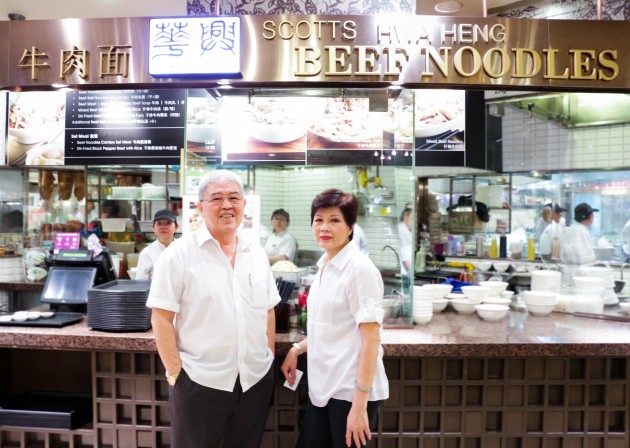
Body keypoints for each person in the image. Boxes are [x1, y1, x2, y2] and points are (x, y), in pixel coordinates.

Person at [146, 170, 279, 448]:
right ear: (200, 206)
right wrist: (176, 374)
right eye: (217, 198)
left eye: (234, 198)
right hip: (199, 382)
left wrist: (267, 358)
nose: (227, 205)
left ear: (244, 204)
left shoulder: (256, 252)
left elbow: (268, 310)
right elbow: (161, 317)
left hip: (254, 381)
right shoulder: (178, 254)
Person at [281, 189, 388, 448]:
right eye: (319, 220)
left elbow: (371, 340)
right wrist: (297, 349)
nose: (324, 227)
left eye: (334, 220)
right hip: (323, 389)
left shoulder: (359, 269)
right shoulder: (325, 266)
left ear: (350, 227)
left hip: (350, 392)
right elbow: (330, 328)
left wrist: (359, 406)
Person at [135, 209, 179, 280]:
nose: (163, 227)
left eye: (168, 223)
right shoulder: (147, 253)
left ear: (176, 227)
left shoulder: (184, 250)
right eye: (159, 223)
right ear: (153, 228)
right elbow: (140, 282)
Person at [560, 202, 599, 281]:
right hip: (579, 276)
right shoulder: (582, 231)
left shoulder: (571, 229)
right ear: (590, 217)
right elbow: (583, 258)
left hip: (569, 274)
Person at [397, 206, 413, 277]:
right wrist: (411, 271)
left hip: (407, 270)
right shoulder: (401, 229)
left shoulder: (407, 230)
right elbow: (405, 253)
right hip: (406, 272)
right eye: (412, 218)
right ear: (406, 216)